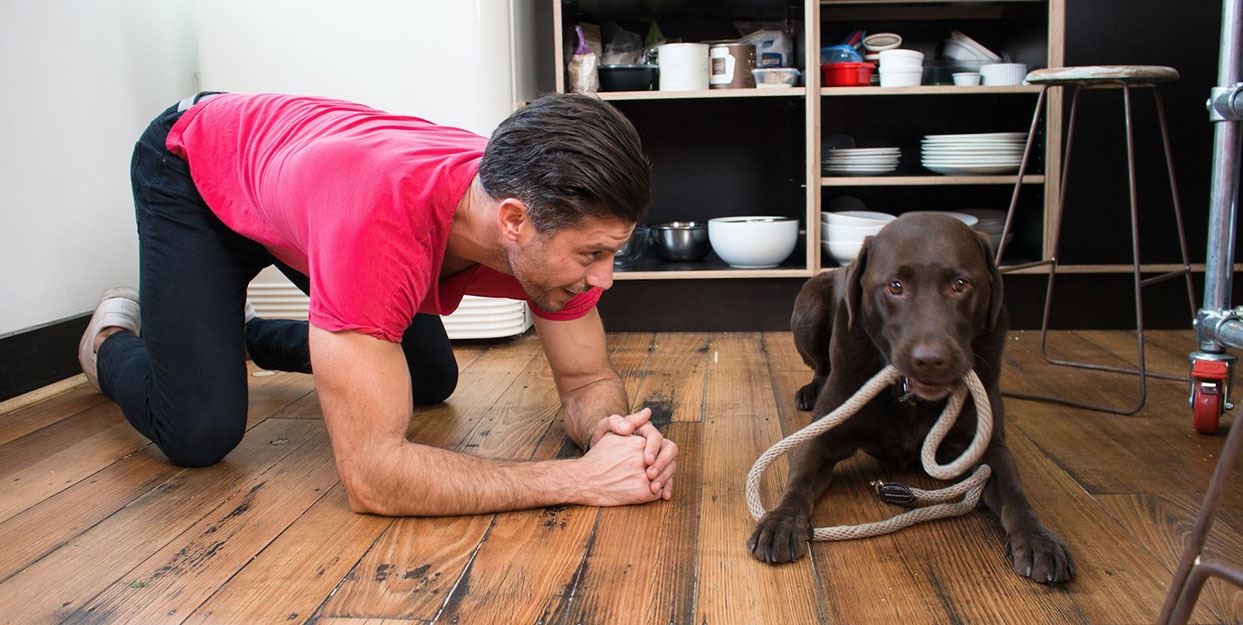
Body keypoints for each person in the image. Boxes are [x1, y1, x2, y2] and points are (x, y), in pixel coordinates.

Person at [76, 91, 678, 516]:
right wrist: (577, 479)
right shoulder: (380, 225)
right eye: (593, 255)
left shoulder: (542, 209)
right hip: (195, 165)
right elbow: (373, 479)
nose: (604, 280)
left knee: (428, 377)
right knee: (198, 430)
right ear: (513, 222)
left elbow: (586, 379)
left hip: (301, 182)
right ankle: (109, 343)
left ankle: (231, 334)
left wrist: (608, 433)